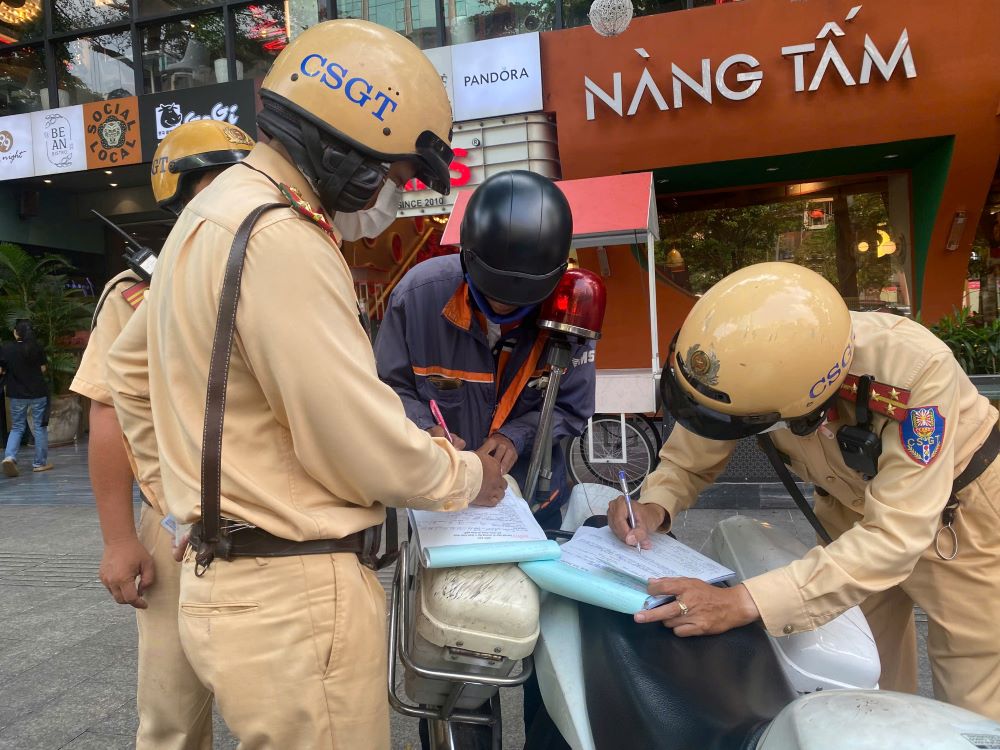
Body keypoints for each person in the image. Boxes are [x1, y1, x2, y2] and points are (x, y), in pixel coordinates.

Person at [106, 19, 506, 748]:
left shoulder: (209, 213)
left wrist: (186, 503)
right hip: (296, 600)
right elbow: (357, 440)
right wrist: (467, 474)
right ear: (343, 150)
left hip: (227, 584)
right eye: (390, 173)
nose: (389, 193)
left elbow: (128, 376)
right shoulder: (280, 237)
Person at [608, 262, 1000, 721]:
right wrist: (656, 504)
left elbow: (896, 534)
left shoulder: (912, 368)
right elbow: (692, 452)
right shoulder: (740, 355)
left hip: (961, 520)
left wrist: (744, 602)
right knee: (863, 685)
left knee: (977, 697)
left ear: (808, 401)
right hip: (845, 518)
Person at [69, 118, 255, 750]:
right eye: (207, 184)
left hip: (273, 519)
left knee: (289, 711)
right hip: (175, 521)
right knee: (173, 716)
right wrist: (120, 540)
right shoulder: (138, 293)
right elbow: (106, 411)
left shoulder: (271, 265)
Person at [375, 170, 597, 527]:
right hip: (443, 501)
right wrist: (427, 430)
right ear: (469, 260)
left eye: (520, 303)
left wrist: (515, 436)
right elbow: (388, 388)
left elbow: (572, 407)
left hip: (533, 501)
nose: (505, 310)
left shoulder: (571, 309)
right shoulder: (417, 298)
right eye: (494, 297)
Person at [1, 320, 51, 476]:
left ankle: (10, 456)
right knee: (39, 427)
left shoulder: (7, 349)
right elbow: (43, 369)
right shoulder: (37, 347)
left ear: (16, 333)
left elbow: (1, 370)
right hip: (38, 392)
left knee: (17, 427)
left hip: (17, 394)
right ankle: (39, 463)